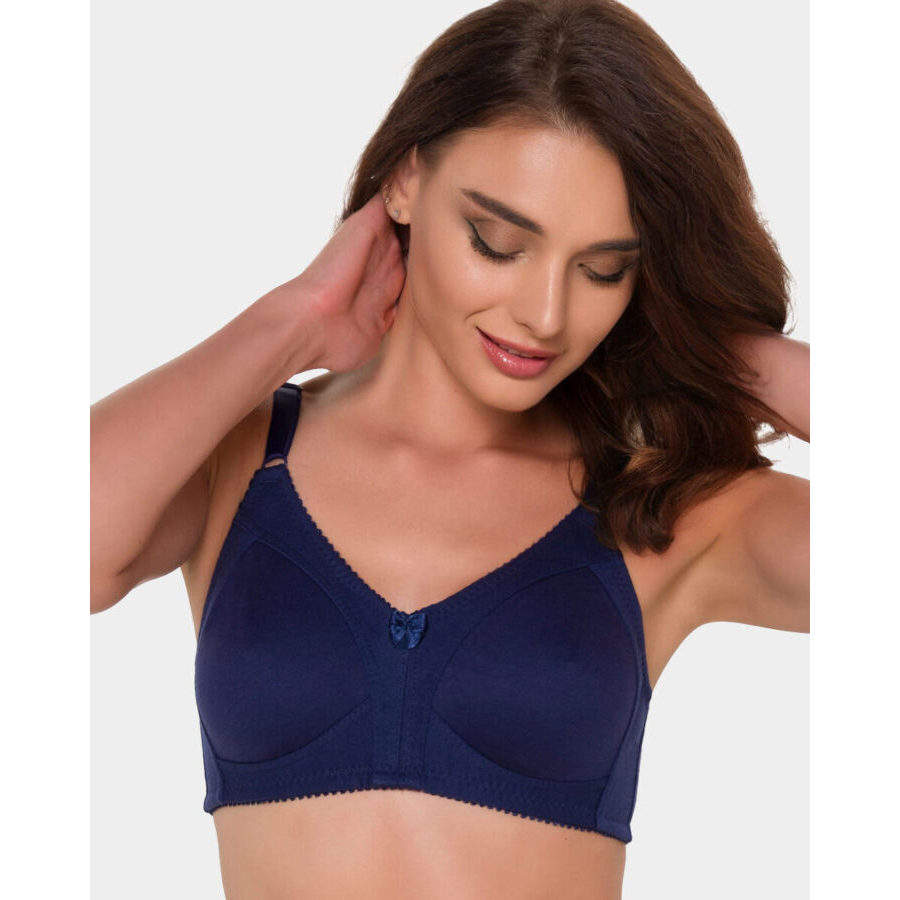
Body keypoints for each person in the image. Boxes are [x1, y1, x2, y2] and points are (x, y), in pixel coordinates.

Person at [90, 0, 809, 896]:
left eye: (602, 269)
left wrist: (720, 350)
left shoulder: (663, 505)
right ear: (405, 180)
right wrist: (293, 322)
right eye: (497, 242)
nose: (545, 314)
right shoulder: (242, 462)